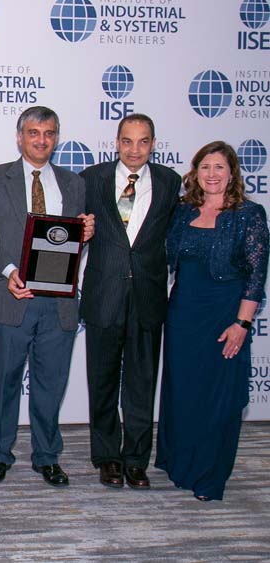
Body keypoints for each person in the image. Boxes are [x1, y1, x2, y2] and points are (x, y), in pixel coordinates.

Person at [0, 106, 94, 487]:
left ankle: (47, 456)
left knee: (51, 384)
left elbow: (70, 242)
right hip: (11, 296)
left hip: (58, 303)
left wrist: (85, 234)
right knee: (6, 381)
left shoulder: (74, 184)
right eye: (33, 133)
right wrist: (9, 273)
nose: (41, 140)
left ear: (56, 138)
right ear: (19, 137)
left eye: (48, 133)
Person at [157, 141, 268, 501]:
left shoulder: (249, 214)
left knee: (218, 396)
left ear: (232, 172)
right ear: (195, 172)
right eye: (205, 167)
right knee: (184, 392)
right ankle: (181, 464)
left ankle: (209, 475)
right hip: (183, 314)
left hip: (225, 315)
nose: (212, 174)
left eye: (219, 167)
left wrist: (242, 324)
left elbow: (255, 276)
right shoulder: (182, 211)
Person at [79, 114, 181, 490]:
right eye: (127, 141)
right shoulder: (92, 178)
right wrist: (81, 231)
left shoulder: (171, 183)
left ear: (153, 143)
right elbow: (73, 230)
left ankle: (136, 459)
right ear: (116, 142)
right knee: (102, 382)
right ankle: (107, 457)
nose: (134, 149)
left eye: (142, 141)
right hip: (103, 295)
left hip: (149, 298)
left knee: (142, 384)